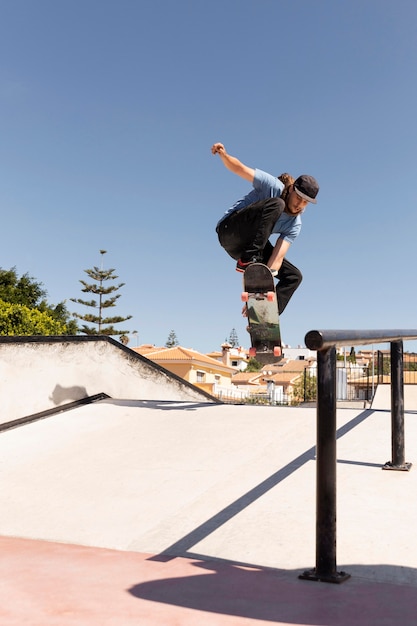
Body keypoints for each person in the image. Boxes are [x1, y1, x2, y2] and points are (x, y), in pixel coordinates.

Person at [212, 142, 319, 315]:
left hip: (242, 250)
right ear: (291, 189)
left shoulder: (295, 224)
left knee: (293, 276)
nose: (300, 204)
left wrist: (259, 294)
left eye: (305, 202)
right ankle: (249, 259)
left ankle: (265, 314)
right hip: (230, 230)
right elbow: (240, 169)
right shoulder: (273, 187)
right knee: (278, 204)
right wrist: (224, 155)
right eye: (298, 197)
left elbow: (276, 258)